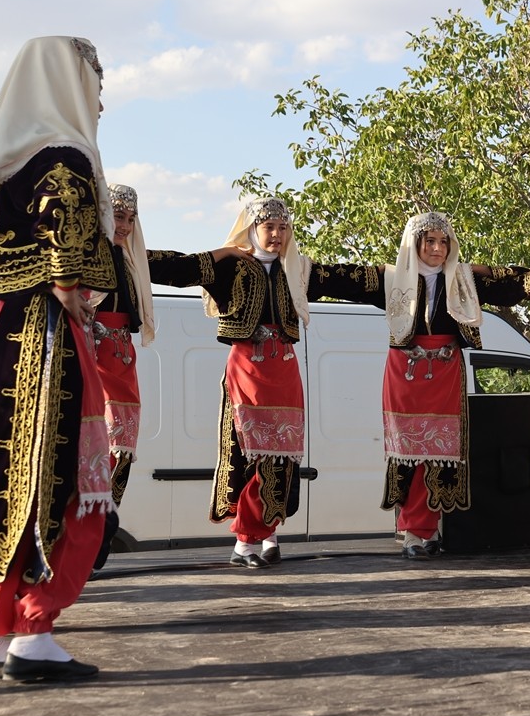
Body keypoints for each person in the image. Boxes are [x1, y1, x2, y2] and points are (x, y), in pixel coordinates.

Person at [0, 36, 115, 682]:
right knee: (58, 480)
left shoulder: (2, 158)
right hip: (47, 335)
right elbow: (70, 266)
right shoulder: (63, 156)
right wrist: (79, 296)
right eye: (95, 81)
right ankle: (33, 634)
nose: (100, 96)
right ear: (69, 84)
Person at [147, 197, 368, 569]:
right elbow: (175, 269)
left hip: (285, 370)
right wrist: (222, 251)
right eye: (269, 227)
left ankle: (266, 536)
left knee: (281, 459)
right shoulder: (230, 268)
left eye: (283, 228)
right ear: (252, 229)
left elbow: (353, 280)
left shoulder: (297, 271)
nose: (277, 235)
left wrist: (406, 274)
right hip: (247, 369)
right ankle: (247, 541)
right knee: (252, 455)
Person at [327, 212, 530, 559]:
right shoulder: (391, 278)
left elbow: (506, 285)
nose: (437, 248)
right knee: (410, 452)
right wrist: (286, 263)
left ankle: (426, 529)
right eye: (429, 241)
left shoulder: (462, 279)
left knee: (439, 453)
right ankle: (413, 532)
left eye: (443, 241)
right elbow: (338, 278)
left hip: (445, 372)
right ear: (414, 243)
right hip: (406, 373)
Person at [87, 185, 247, 571]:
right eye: (117, 216)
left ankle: (96, 535)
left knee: (119, 449)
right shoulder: (80, 256)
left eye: (130, 219)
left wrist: (226, 252)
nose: (123, 225)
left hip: (122, 362)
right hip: (88, 361)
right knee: (89, 446)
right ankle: (75, 538)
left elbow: (181, 268)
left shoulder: (134, 260)